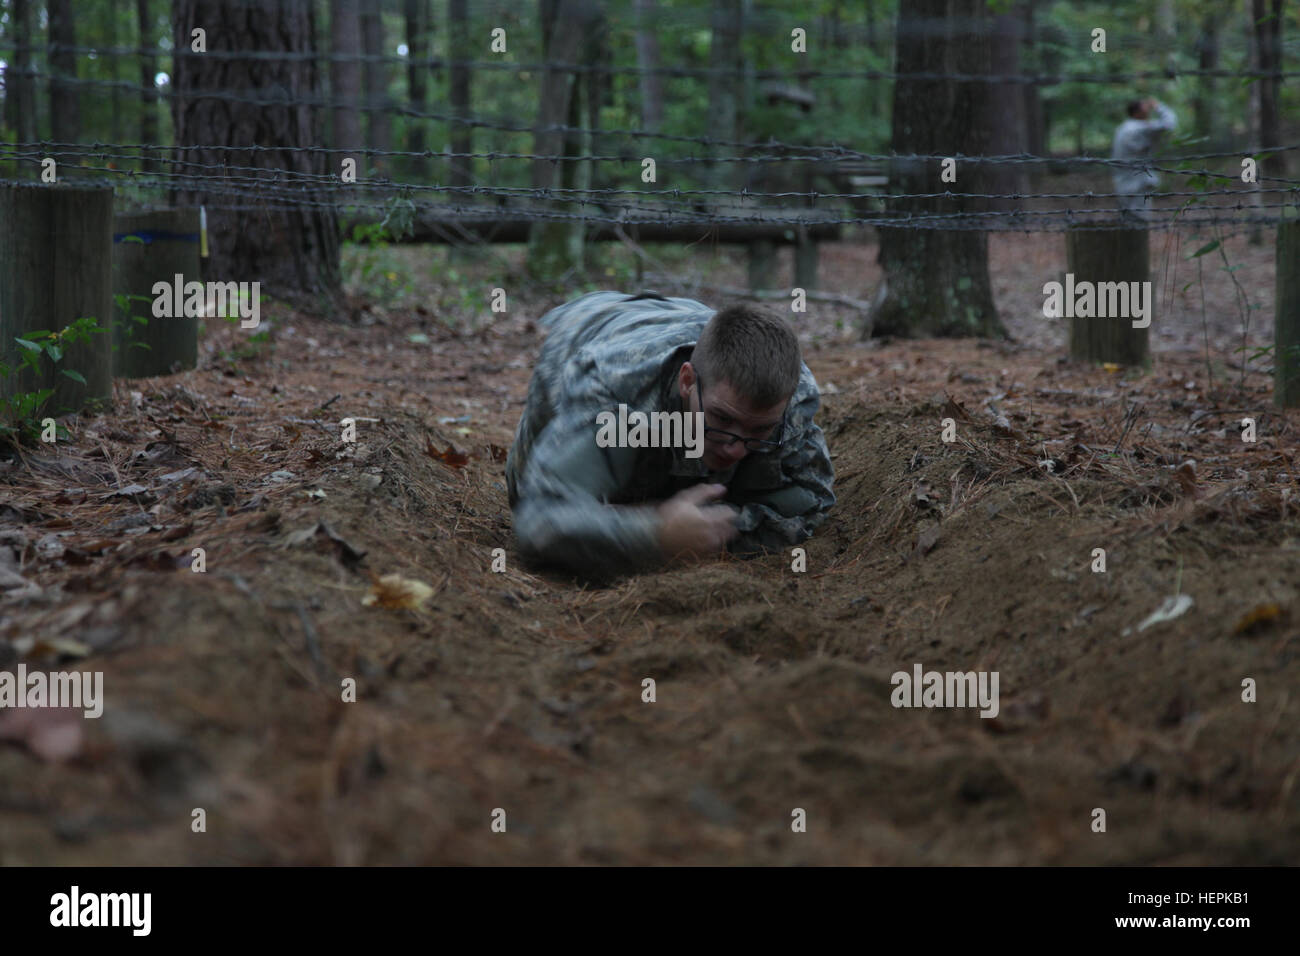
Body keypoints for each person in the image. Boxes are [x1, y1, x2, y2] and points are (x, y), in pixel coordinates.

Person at [505, 290, 835, 580]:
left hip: (684, 323)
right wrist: (652, 534)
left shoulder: (791, 400)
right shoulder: (612, 391)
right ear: (687, 381)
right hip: (586, 327)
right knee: (528, 490)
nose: (735, 449)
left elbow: (811, 500)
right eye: (722, 418)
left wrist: (725, 528)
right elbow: (539, 519)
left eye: (760, 428)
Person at [1111, 97, 1177, 222]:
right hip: (1138, 181)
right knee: (1138, 220)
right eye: (1145, 107)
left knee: (1126, 219)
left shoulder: (1122, 128)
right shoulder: (1140, 128)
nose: (1149, 110)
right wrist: (1158, 106)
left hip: (1123, 180)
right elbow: (1169, 124)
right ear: (1137, 112)